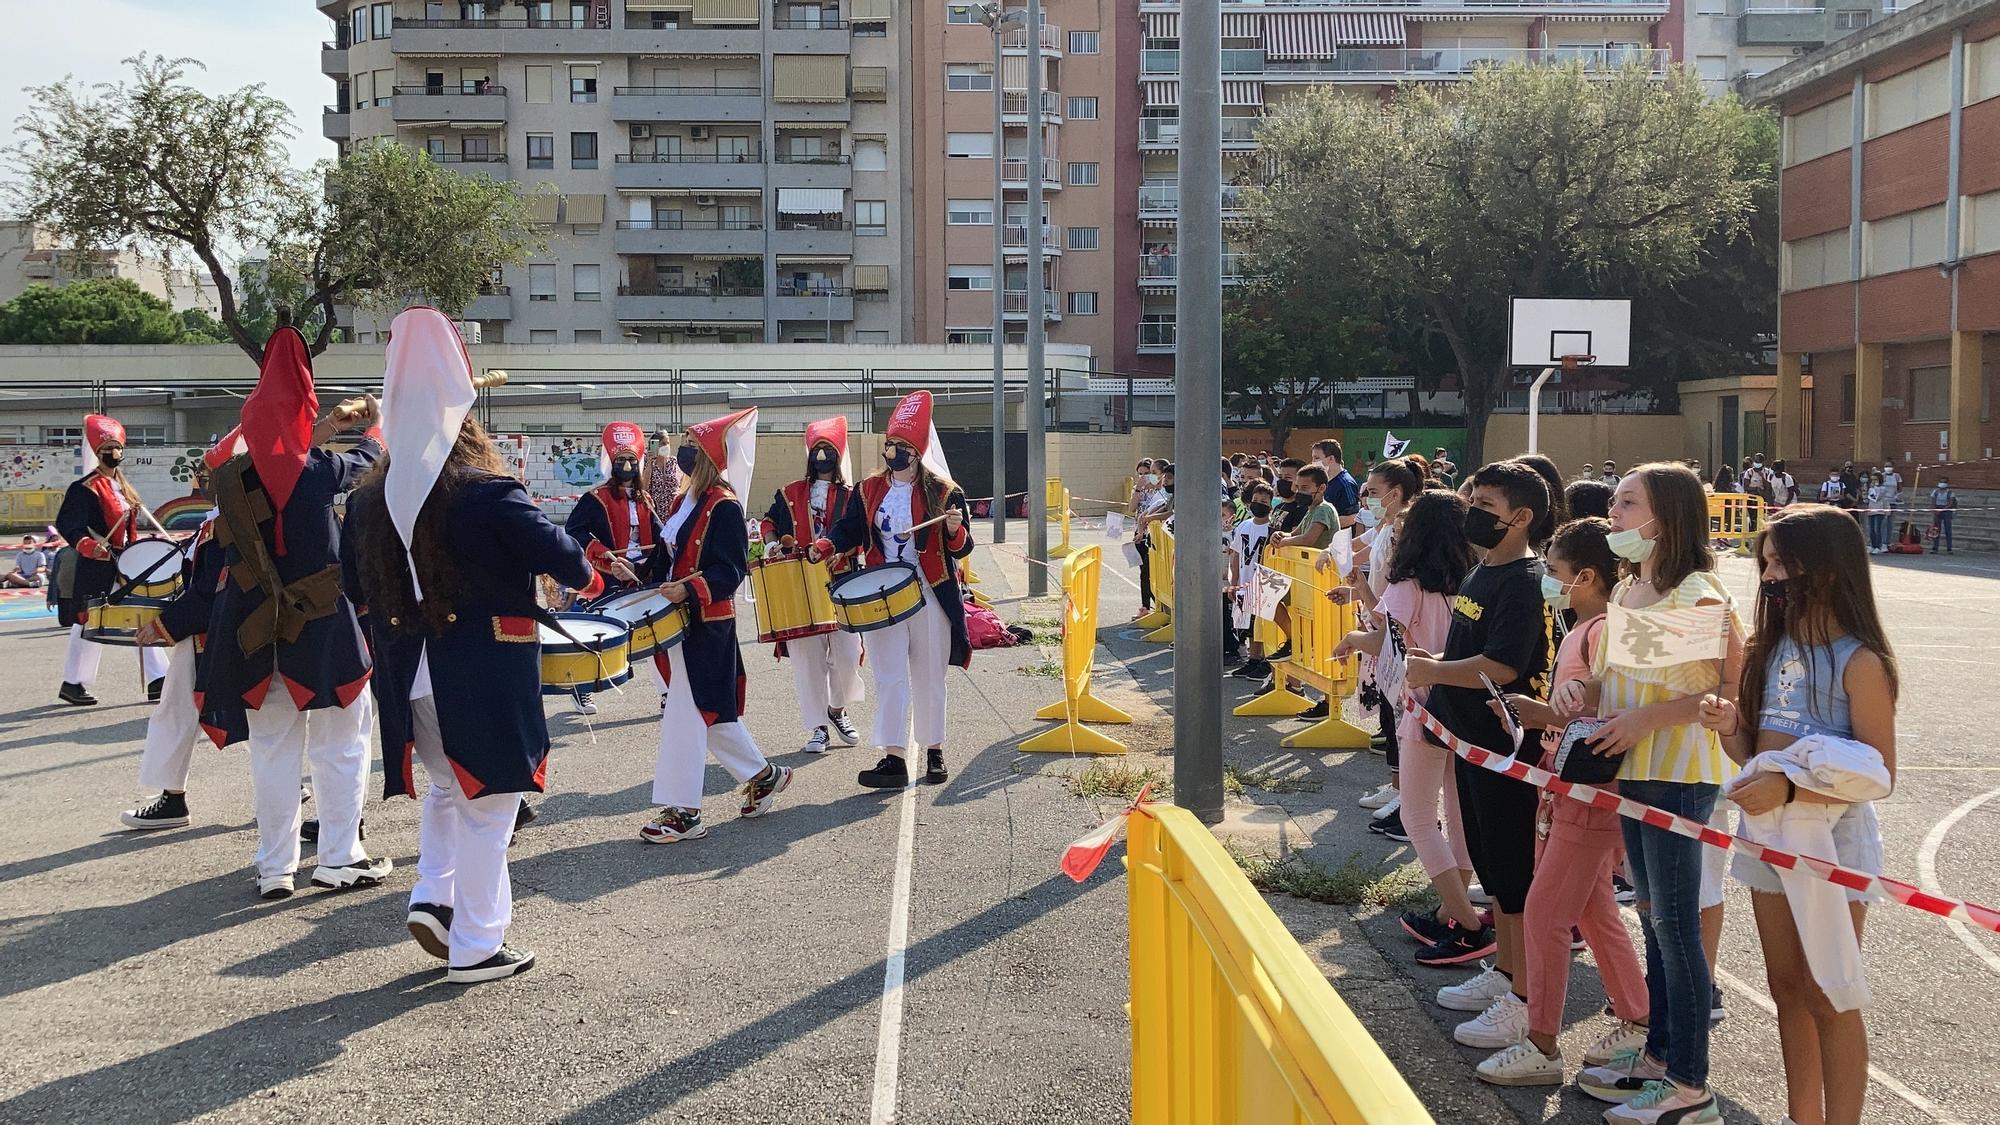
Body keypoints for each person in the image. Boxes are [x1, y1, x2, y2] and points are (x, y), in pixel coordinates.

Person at [344, 306, 606, 983]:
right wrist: (587, 571)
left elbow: (353, 584)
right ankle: (478, 944)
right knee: (491, 805)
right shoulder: (487, 491)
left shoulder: (368, 500)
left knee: (445, 789)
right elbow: (563, 555)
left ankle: (435, 897)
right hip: (481, 674)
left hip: (407, 676)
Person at [1699, 506, 1896, 1125]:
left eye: (1782, 563)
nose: (1770, 575)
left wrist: (1795, 794)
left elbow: (1879, 773)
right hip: (1764, 840)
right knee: (1786, 988)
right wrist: (1732, 728)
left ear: (1829, 571)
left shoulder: (1860, 661)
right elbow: (1753, 751)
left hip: (1832, 845)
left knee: (1829, 993)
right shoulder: (1767, 648)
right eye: (1766, 563)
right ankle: (1801, 1115)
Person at [1575, 463, 1744, 1124]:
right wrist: (1578, 693)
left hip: (1679, 773)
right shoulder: (1628, 589)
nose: (1614, 514)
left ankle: (1688, 1083)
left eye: (1627, 502)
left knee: (1675, 928)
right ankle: (1660, 1055)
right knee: (1653, 917)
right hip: (1634, 771)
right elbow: (1609, 679)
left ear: (1666, 515)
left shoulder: (1699, 592)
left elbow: (1726, 688)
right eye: (1614, 501)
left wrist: (1647, 718)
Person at [204, 326, 390, 901]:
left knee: (272, 752)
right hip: (324, 631)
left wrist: (324, 426)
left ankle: (274, 868)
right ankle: (339, 857)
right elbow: (374, 452)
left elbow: (269, 443)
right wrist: (373, 417)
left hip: (255, 634)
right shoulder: (322, 472)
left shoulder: (226, 477)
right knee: (343, 744)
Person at [1474, 518, 1650, 1087]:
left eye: (1555, 573)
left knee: (1546, 913)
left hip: (1589, 789)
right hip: (1565, 783)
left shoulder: (1603, 630)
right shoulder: (1583, 628)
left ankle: (1543, 1043)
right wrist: (1544, 717)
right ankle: (1638, 1016)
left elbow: (1607, 710)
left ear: (1588, 577)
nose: (1549, 582)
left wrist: (1550, 716)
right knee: (1593, 909)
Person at [1401, 463, 1550, 1041]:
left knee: (1512, 875)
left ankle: (1523, 997)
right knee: (1492, 869)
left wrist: (1436, 669)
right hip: (1467, 743)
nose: (1473, 510)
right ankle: (1506, 971)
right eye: (1472, 497)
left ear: (1520, 517)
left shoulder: (1523, 579)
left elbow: (1504, 665)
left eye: (1485, 502)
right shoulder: (1483, 569)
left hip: (1502, 749)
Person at [1338, 491, 1485, 962]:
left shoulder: (1408, 585)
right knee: (1460, 814)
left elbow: (1386, 641)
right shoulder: (1476, 580)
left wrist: (1351, 639)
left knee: (1418, 816)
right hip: (1469, 707)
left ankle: (1467, 923)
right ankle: (1451, 909)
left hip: (1423, 708)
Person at [641, 409, 794, 842]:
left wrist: (687, 590)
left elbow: (730, 571)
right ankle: (765, 775)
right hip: (677, 619)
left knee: (688, 714)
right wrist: (635, 572)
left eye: (690, 446)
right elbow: (666, 557)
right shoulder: (681, 501)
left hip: (706, 622)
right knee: (704, 712)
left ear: (706, 456)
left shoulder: (724, 506)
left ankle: (685, 811)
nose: (682, 453)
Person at [825, 390, 976, 789]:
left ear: (917, 451)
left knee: (929, 676)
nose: (893, 451)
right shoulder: (868, 488)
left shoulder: (944, 492)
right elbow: (850, 529)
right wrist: (830, 544)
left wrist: (953, 528)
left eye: (903, 446)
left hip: (930, 592)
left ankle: (934, 752)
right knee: (889, 676)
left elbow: (963, 547)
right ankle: (893, 758)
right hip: (882, 592)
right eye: (890, 444)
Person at [122, 437, 251, 831]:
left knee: (178, 713)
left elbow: (209, 593)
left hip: (211, 636)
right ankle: (173, 794)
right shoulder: (230, 517)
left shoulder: (225, 524)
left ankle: (172, 798)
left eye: (210, 472)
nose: (203, 478)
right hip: (233, 633)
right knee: (258, 718)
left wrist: (163, 625)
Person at [762, 417, 865, 753]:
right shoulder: (790, 492)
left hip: (841, 583)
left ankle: (837, 710)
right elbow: (768, 522)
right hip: (799, 586)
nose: (822, 455)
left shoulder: (852, 496)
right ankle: (818, 726)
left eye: (828, 449)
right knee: (809, 662)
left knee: (850, 654)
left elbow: (862, 536)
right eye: (817, 449)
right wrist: (772, 542)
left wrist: (842, 550)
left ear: (839, 454)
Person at [54, 413, 170, 706]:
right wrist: (90, 546)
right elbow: (69, 524)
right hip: (97, 566)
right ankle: (73, 683)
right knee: (88, 622)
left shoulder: (123, 487)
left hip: (125, 563)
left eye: (118, 449)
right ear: (98, 453)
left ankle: (159, 678)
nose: (114, 454)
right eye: (108, 450)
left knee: (139, 614)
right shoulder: (83, 488)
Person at [564, 421, 668, 715]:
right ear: (611, 463)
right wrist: (608, 558)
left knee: (655, 634)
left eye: (631, 461)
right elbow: (576, 532)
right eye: (620, 460)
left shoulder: (646, 499)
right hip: (609, 574)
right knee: (597, 633)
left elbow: (660, 536)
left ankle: (667, 693)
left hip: (642, 574)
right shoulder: (595, 498)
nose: (626, 465)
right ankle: (581, 689)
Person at [1227, 482, 1277, 677]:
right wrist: (1234, 582)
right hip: (1245, 581)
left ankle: (1265, 660)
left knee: (1262, 623)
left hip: (1263, 582)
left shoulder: (1272, 528)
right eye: (1256, 500)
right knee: (1248, 625)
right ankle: (1253, 658)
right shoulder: (1244, 526)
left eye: (1264, 501)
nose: (1259, 504)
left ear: (1271, 505)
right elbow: (1236, 554)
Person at [1312, 438, 1361, 531]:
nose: (1313, 462)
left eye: (1317, 458)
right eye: (1313, 458)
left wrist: (1320, 526)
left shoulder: (1346, 483)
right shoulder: (1323, 481)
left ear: (1331, 458)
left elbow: (1353, 517)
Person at [646, 427, 684, 518]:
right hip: (654, 513)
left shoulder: (674, 462)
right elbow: (643, 487)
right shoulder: (647, 462)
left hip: (673, 512)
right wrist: (650, 464)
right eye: (663, 443)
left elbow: (682, 484)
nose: (666, 446)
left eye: (668, 443)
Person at [1863, 473, 1890, 554]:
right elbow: (1868, 499)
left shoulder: (1883, 488)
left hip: (1879, 510)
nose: (1874, 481)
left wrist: (1874, 488)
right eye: (1872, 480)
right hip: (1871, 510)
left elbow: (1877, 497)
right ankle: (1873, 545)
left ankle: (1878, 546)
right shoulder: (1871, 489)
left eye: (1875, 480)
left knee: (1877, 529)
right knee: (1871, 529)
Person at [1929, 476, 1956, 553]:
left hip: (1946, 510)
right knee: (1936, 530)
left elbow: (1950, 503)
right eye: (1941, 481)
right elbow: (1933, 501)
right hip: (1937, 510)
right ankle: (1935, 547)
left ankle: (1949, 548)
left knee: (1948, 529)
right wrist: (1934, 509)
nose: (1942, 483)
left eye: (1944, 482)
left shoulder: (1950, 493)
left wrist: (1942, 510)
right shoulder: (1935, 492)